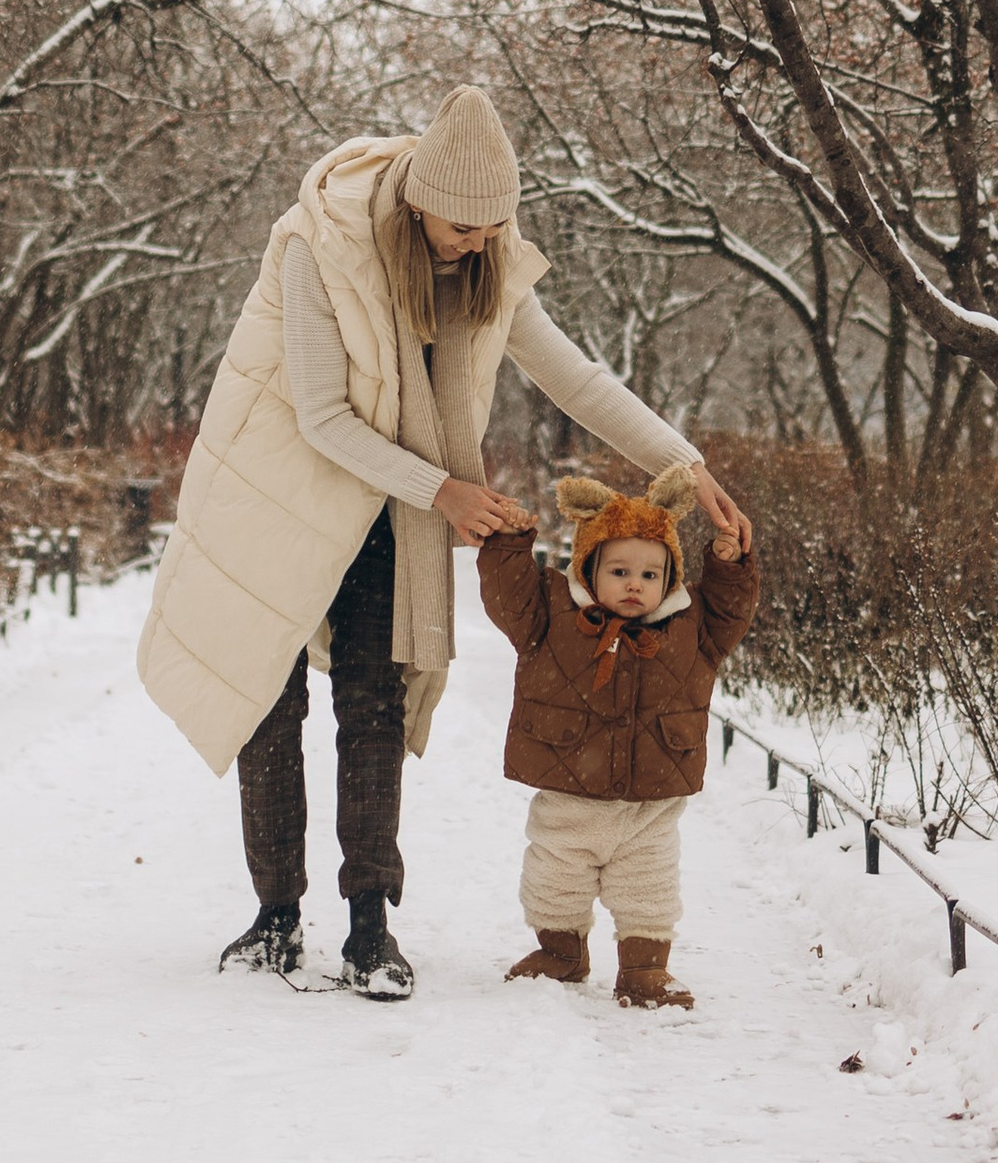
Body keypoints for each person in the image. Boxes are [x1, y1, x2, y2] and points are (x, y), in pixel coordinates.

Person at [138, 89, 752, 993]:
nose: (476, 242)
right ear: (419, 199)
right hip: (278, 494)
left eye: (491, 226)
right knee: (271, 712)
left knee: (374, 706)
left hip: (389, 511)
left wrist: (686, 463)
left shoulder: (489, 259)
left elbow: (573, 377)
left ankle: (367, 924)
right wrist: (445, 490)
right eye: (461, 226)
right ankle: (274, 916)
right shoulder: (321, 245)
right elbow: (319, 415)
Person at [475, 464, 759, 1007]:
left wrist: (729, 566)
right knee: (554, 880)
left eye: (651, 575)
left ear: (671, 578)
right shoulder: (551, 616)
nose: (635, 584)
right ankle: (561, 952)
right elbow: (510, 595)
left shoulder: (693, 625)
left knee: (648, 889)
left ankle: (645, 968)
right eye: (620, 571)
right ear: (588, 569)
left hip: (647, 808)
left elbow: (732, 608)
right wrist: (510, 541)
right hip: (568, 797)